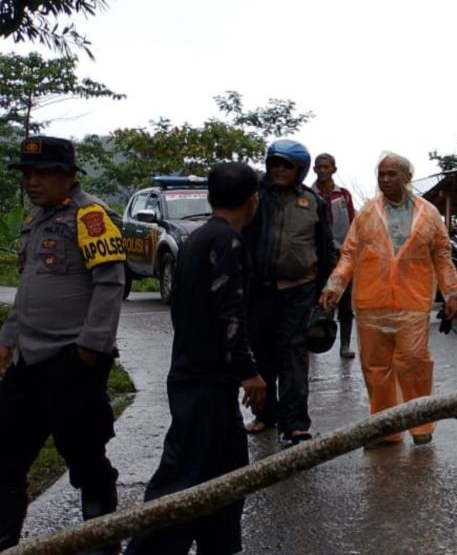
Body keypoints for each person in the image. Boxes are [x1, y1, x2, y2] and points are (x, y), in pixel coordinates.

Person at [125, 162, 267, 555]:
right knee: (182, 475)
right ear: (253, 200)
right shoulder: (226, 243)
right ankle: (147, 551)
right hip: (204, 379)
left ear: (210, 197)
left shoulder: (196, 239)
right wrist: (249, 372)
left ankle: (220, 545)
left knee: (226, 470)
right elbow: (230, 314)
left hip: (198, 373)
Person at [0, 136, 125, 553]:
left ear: (68, 177)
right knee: (6, 456)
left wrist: (90, 350)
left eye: (43, 174)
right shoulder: (35, 220)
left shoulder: (90, 217)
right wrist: (7, 339)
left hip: (71, 362)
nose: (32, 182)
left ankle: (102, 536)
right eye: (27, 174)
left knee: (86, 459)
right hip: (28, 363)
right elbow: (29, 288)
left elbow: (110, 286)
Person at [318, 153, 457, 446]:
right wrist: (336, 284)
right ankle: (386, 428)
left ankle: (421, 425)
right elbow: (349, 253)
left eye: (391, 174)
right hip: (371, 303)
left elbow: (442, 255)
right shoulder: (368, 213)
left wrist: (452, 292)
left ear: (406, 177)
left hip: (413, 302)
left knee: (414, 362)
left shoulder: (429, 213)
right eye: (381, 174)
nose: (385, 180)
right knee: (376, 369)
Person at [242, 139, 336, 447]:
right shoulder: (254, 198)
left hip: (299, 291)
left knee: (294, 356)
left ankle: (295, 423)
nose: (280, 170)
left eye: (287, 165)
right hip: (261, 291)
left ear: (299, 169)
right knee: (263, 354)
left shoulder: (313, 202)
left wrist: (325, 292)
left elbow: (325, 250)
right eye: (275, 164)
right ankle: (265, 415)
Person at [312, 153, 357, 359]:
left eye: (326, 167)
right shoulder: (309, 194)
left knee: (346, 303)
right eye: (319, 167)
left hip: (342, 256)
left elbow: (353, 223)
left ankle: (345, 346)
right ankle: (311, 343)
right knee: (315, 301)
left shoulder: (344, 195)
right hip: (317, 256)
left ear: (333, 169)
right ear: (314, 170)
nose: (322, 171)